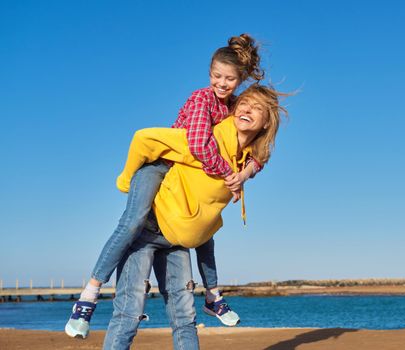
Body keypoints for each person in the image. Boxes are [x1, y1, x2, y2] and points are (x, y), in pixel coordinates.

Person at [66, 34, 264, 339]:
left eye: (229, 79)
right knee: (131, 223)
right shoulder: (202, 99)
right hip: (160, 166)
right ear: (209, 73)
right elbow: (198, 145)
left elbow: (258, 151)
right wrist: (228, 174)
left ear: (239, 80)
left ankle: (213, 295)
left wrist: (246, 172)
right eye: (216, 76)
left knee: (206, 230)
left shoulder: (235, 109)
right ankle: (89, 294)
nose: (221, 84)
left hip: (185, 184)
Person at [103, 84, 287, 350]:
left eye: (257, 108)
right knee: (128, 315)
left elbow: (260, 159)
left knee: (185, 319)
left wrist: (244, 175)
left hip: (178, 240)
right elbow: (155, 142)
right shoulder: (207, 140)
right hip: (147, 229)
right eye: (244, 103)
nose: (247, 109)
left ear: (266, 122)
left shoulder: (245, 159)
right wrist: (135, 178)